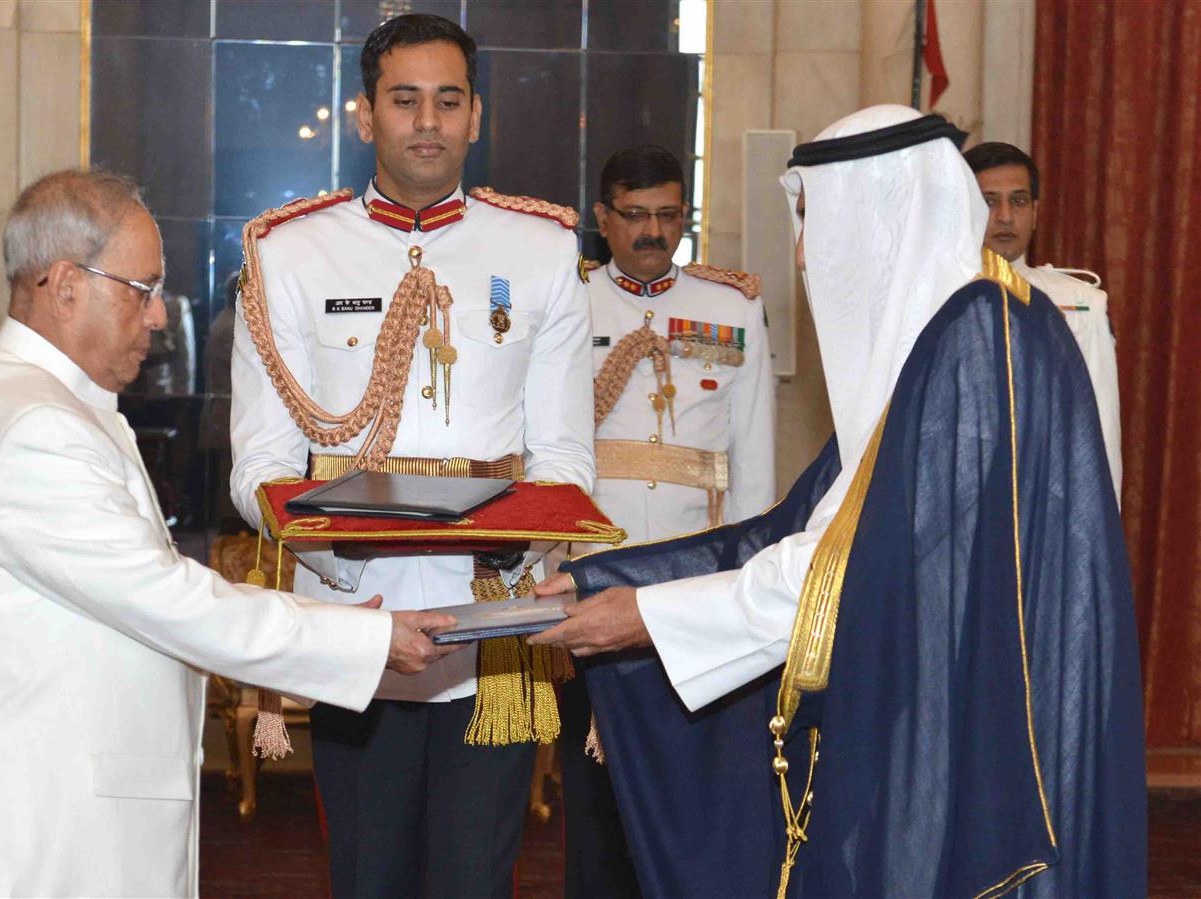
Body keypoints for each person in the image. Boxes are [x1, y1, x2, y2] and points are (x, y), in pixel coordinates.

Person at [531, 106, 1145, 897]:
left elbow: (854, 564)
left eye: (811, 220)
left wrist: (643, 616)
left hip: (990, 726)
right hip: (949, 697)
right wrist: (606, 580)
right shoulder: (965, 327)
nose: (801, 252)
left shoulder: (975, 338)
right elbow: (803, 523)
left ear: (874, 218)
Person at [0, 169, 460, 899]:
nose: (159, 315)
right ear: (65, 284)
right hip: (44, 834)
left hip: (70, 813)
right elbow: (165, 599)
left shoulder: (42, 403)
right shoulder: (31, 425)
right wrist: (366, 639)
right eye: (142, 288)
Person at [228, 13, 594, 899]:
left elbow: (564, 457)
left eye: (447, 100)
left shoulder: (541, 248)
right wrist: (340, 555)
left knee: (475, 879)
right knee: (367, 879)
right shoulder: (287, 253)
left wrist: (523, 546)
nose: (426, 120)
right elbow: (258, 466)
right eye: (404, 100)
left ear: (476, 117)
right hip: (353, 628)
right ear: (365, 117)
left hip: (490, 620)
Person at [562, 143, 774, 898]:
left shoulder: (731, 305)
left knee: (694, 791)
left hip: (698, 583)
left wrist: (749, 583)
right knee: (595, 796)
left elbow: (752, 455)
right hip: (597, 571)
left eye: (668, 214)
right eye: (636, 215)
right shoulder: (571, 299)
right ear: (602, 218)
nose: (653, 231)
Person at [965, 140, 1123, 501]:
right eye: (989, 202)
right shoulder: (935, 301)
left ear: (1035, 211)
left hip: (1048, 503)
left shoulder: (1081, 303)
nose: (1005, 216)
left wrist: (1100, 535)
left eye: (1018, 201)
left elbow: (1101, 430)